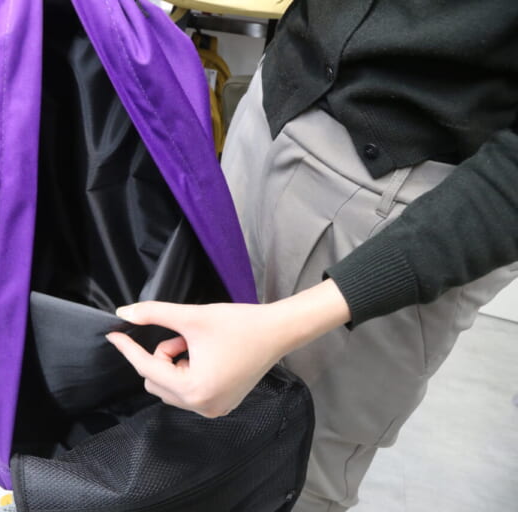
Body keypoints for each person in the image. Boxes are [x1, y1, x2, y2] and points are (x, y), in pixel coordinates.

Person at [106, 1, 518, 510]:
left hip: (396, 200)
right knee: (181, 397)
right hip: (273, 102)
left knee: (296, 469)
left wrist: (290, 322)